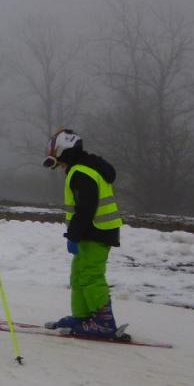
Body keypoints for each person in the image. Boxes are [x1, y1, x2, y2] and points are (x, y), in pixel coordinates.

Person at [41, 129, 125, 338]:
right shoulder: (83, 168)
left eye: (59, 162)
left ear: (63, 152)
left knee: (91, 276)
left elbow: (86, 208)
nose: (60, 167)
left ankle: (104, 322)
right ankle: (83, 316)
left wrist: (73, 235)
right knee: (78, 275)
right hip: (91, 232)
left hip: (97, 232)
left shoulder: (81, 172)